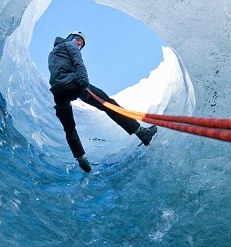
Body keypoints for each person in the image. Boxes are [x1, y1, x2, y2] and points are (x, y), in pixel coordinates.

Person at [47, 31, 157, 173]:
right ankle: (141, 132)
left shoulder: (53, 52)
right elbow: (77, 62)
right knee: (107, 103)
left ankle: (81, 160)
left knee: (69, 127)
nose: (79, 43)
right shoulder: (70, 45)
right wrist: (84, 82)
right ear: (70, 38)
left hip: (58, 90)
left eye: (81, 43)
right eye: (77, 39)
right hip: (72, 83)